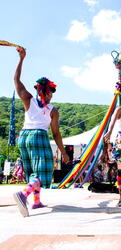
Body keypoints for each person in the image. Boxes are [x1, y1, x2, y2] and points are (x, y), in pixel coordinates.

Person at [13, 47, 69, 217]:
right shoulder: (51, 110)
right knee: (43, 171)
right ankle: (23, 194)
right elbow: (56, 134)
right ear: (41, 91)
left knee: (33, 170)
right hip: (38, 136)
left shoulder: (28, 100)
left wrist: (21, 59)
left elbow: (16, 80)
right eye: (48, 92)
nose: (51, 95)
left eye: (52, 93)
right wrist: (63, 152)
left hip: (23, 138)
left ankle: (36, 202)